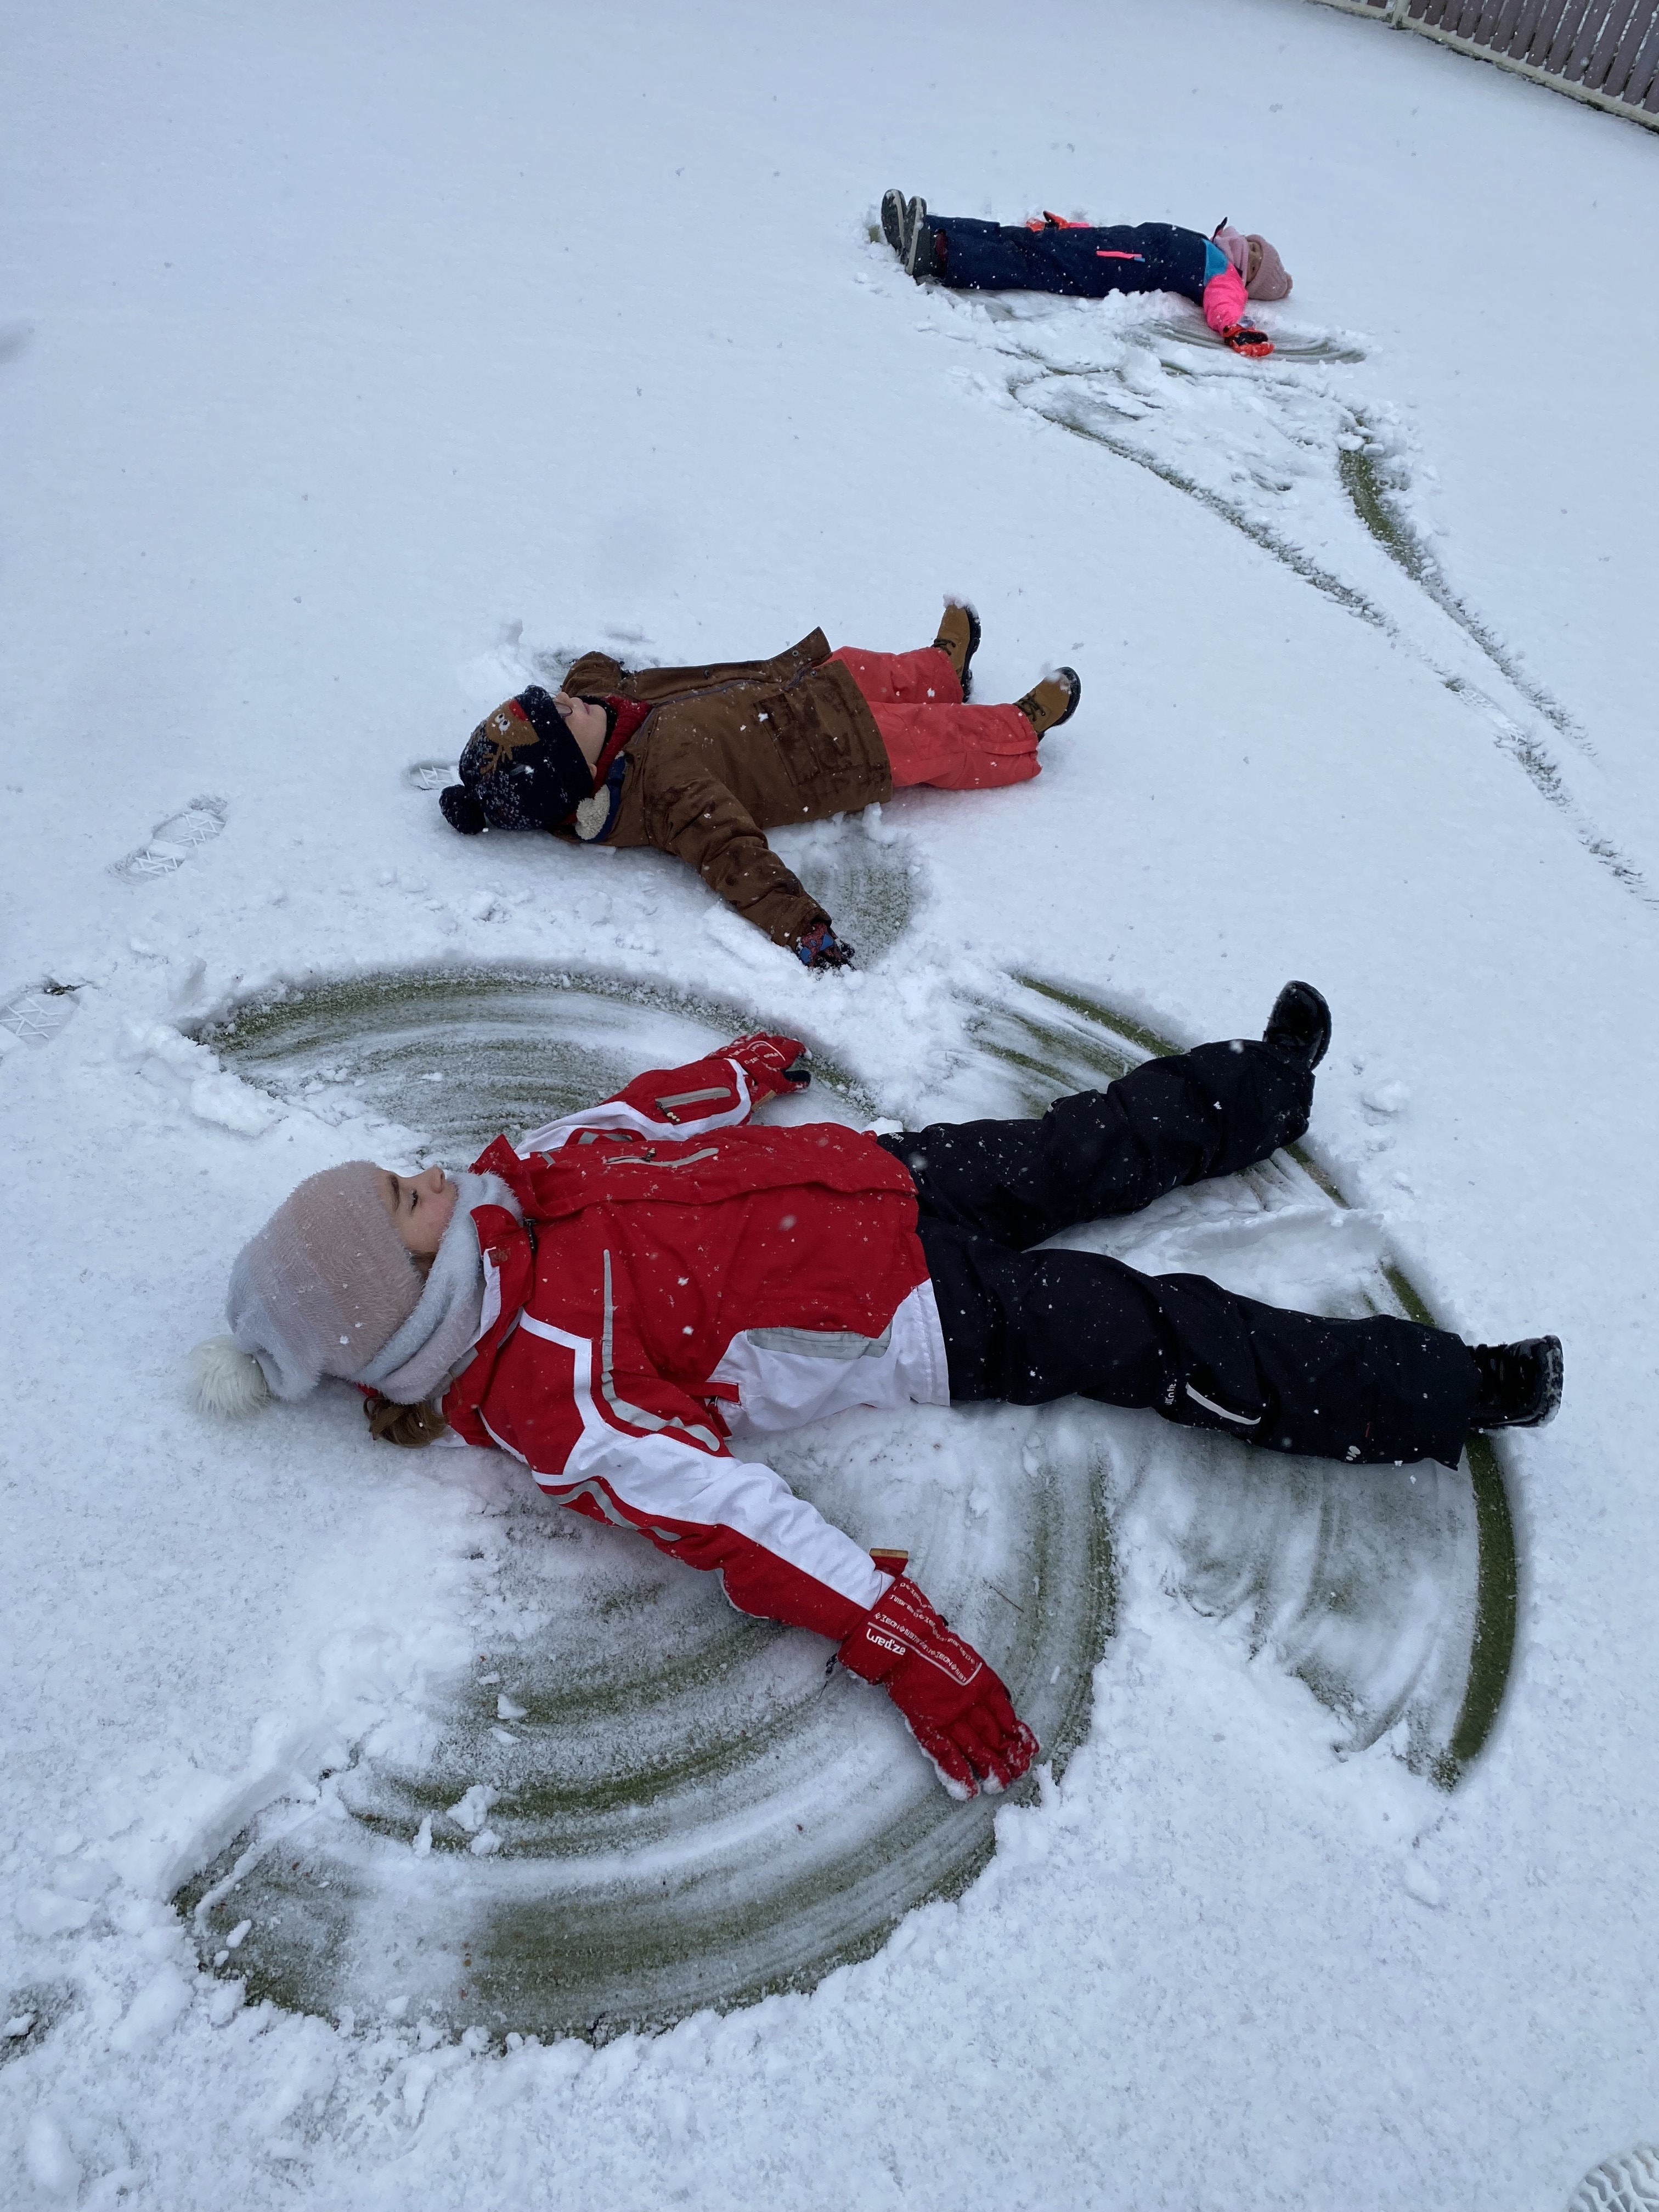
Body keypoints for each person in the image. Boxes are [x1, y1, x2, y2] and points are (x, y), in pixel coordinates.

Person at [191, 984, 1562, 1801]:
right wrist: (901, 1644)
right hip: (917, 1320)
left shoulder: (512, 1176)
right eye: (398, 1204)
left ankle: (1265, 1089)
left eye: (395, 1176)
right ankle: (1441, 1396)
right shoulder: (552, 1402)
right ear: (400, 1303)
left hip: (881, 1176)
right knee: (1156, 1332)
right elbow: (733, 1517)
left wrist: (734, 1076)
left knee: (1084, 1144)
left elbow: (634, 1121)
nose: (417, 1174)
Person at [436, 608, 1081, 970]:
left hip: (795, 690)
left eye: (549, 698)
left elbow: (590, 675)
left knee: (866, 667)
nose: (564, 699)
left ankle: (941, 670)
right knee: (931, 737)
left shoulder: (604, 700)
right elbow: (732, 854)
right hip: (834, 754)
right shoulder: (662, 790)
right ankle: (1014, 732)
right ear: (573, 775)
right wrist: (803, 928)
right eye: (556, 716)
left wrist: (592, 672)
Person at [882, 190, 1291, 359]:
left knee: (1024, 262)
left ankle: (935, 255)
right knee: (1018, 237)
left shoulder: (1226, 278)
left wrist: (1237, 329)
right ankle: (927, 226)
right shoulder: (1205, 242)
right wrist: (1072, 229)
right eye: (1254, 245)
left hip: (1106, 268)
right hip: (1100, 245)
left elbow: (1223, 306)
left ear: (1249, 279)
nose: (1248, 251)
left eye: (1254, 259)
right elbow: (1125, 234)